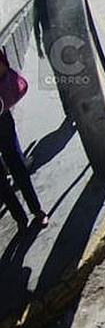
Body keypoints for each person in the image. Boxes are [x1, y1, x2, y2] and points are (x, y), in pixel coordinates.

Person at [0, 50, 48, 230]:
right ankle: (20, 219)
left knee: (16, 165)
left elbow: (3, 66)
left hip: (1, 119)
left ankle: (37, 211)